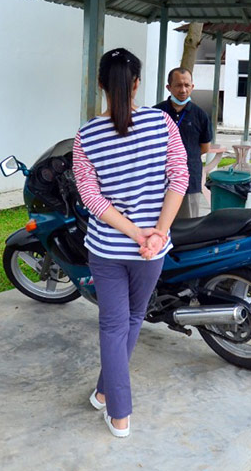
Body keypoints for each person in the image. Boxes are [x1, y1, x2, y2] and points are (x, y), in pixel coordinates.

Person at [73, 48, 189, 438]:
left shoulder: (86, 135)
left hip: (108, 248)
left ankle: (116, 409)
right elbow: (180, 177)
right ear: (137, 83)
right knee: (133, 319)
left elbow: (91, 197)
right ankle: (109, 398)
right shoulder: (162, 122)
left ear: (101, 84)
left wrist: (134, 232)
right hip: (151, 250)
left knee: (113, 325)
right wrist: (156, 232)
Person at [153, 67, 212, 218]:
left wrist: (181, 159)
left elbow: (205, 147)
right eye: (178, 85)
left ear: (192, 86)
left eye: (187, 85)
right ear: (169, 87)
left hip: (189, 179)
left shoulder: (201, 115)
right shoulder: (156, 113)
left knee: (189, 223)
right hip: (158, 179)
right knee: (158, 222)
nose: (183, 90)